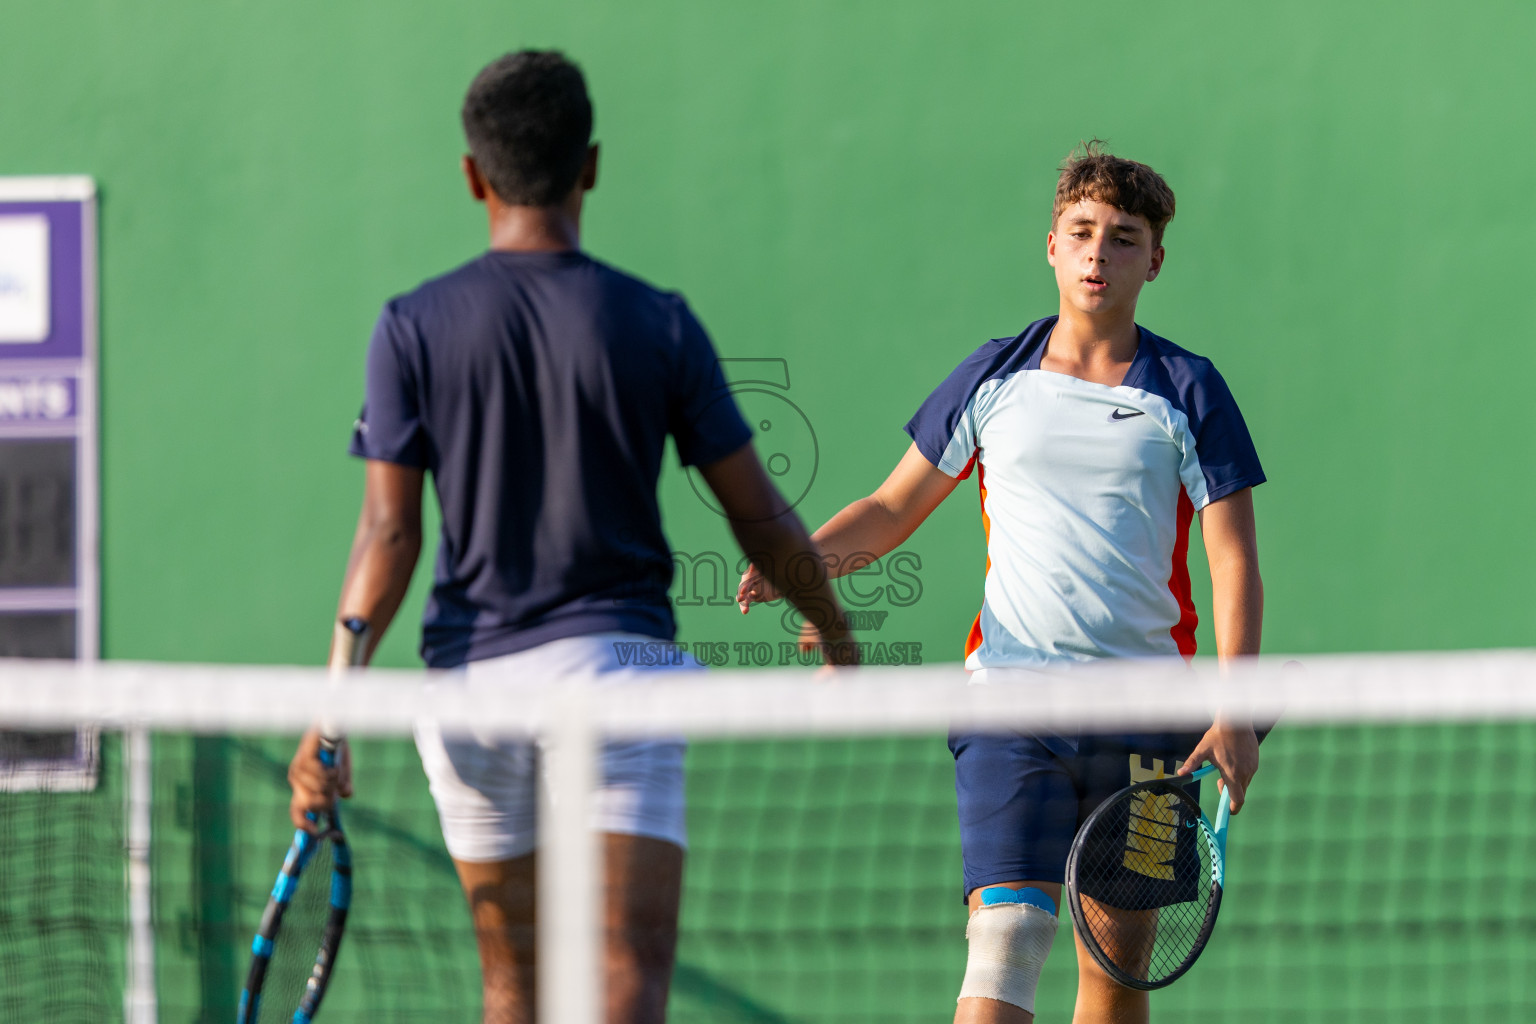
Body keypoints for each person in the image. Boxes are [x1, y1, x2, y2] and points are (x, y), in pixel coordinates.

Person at [288, 50, 856, 1024]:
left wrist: (330, 710)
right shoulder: (658, 323)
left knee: (513, 984)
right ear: (591, 165)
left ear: (473, 175)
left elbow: (389, 534)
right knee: (624, 972)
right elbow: (756, 513)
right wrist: (835, 632)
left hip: (471, 692)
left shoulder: (409, 326)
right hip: (616, 677)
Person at [738, 143, 1265, 1024]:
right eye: (1082, 232)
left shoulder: (1190, 390)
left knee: (1117, 970)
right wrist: (804, 562)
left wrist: (1234, 707)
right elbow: (893, 505)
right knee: (1009, 935)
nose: (1099, 254)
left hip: (1145, 713)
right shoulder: (995, 375)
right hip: (1009, 705)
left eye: (1124, 238)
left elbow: (1231, 557)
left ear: (1155, 260)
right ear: (1052, 246)